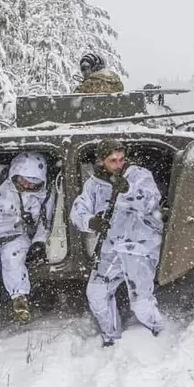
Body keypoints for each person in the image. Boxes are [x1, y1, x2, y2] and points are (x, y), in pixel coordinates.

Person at [69, 139, 166, 346]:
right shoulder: (94, 184)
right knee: (96, 293)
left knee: (141, 303)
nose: (119, 164)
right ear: (101, 161)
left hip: (139, 246)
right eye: (112, 160)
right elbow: (77, 211)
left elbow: (151, 203)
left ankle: (158, 331)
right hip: (111, 248)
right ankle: (111, 338)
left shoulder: (139, 175)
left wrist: (129, 190)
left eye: (121, 159)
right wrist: (91, 222)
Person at [0, 151, 56, 334]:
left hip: (16, 233)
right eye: (23, 180)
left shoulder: (44, 194)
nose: (27, 185)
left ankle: (20, 299)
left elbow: (46, 221)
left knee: (14, 260)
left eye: (33, 182)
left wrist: (38, 242)